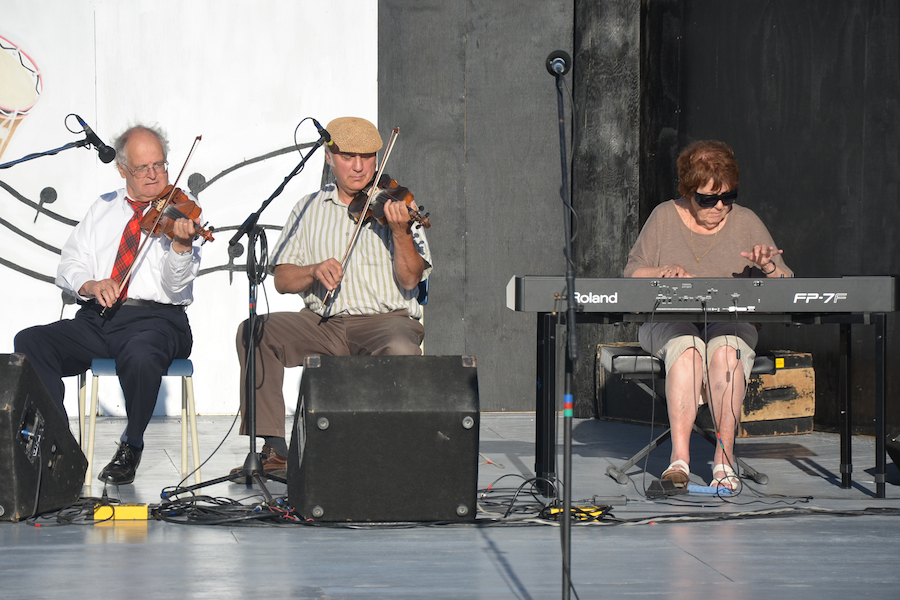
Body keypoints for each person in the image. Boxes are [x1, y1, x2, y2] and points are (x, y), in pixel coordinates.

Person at [230, 116, 432, 479]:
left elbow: (411, 277)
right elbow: (282, 280)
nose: (358, 167)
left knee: (401, 348)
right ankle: (275, 448)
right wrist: (312, 272)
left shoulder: (396, 207)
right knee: (255, 331)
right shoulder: (307, 207)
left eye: (368, 157)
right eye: (348, 156)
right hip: (321, 323)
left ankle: (393, 453)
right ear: (328, 157)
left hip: (385, 321)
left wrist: (401, 231)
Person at [14, 124, 202, 485]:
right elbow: (70, 262)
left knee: (141, 353)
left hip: (158, 320)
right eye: (142, 168)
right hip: (99, 318)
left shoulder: (182, 214)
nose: (153, 175)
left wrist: (180, 247)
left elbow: (176, 289)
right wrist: (91, 284)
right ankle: (58, 444)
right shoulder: (102, 208)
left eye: (160, 165)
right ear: (122, 170)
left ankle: (131, 445)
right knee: (31, 341)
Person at [624, 140, 792, 491]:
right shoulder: (664, 216)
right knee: (686, 349)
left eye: (727, 197)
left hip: (728, 321)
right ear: (688, 193)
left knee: (726, 352)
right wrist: (661, 271)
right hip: (669, 320)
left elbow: (786, 282)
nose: (719, 207)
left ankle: (724, 459)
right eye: (707, 199)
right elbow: (631, 274)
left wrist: (769, 265)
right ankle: (679, 460)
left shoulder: (744, 221)